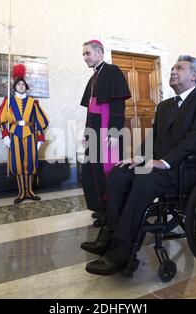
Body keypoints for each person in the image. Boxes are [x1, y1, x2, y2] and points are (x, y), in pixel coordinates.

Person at [81, 55, 196, 276]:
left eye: (180, 68)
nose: (173, 71)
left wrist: (165, 161)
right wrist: (137, 158)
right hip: (161, 166)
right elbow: (154, 138)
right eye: (172, 68)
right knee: (120, 172)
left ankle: (122, 251)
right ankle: (108, 236)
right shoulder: (165, 105)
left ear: (194, 76)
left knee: (145, 177)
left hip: (190, 168)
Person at [80, 40, 131, 227]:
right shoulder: (93, 77)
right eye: (83, 54)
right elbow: (90, 111)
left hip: (107, 130)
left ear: (99, 52)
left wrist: (114, 132)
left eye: (88, 53)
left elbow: (118, 105)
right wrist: (87, 134)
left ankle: (112, 211)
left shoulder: (112, 71)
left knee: (107, 171)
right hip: (95, 130)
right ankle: (101, 207)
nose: (85, 58)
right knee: (92, 170)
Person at [0, 64, 49, 204]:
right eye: (18, 84)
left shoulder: (33, 102)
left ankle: (30, 191)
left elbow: (39, 121)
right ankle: (21, 192)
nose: (21, 86)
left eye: (23, 84)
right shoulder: (8, 101)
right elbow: (1, 121)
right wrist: (5, 136)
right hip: (15, 135)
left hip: (31, 135)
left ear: (26, 87)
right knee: (18, 164)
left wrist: (40, 139)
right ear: (14, 87)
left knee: (30, 164)